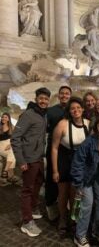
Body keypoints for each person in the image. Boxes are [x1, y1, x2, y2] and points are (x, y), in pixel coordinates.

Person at [11, 87, 51, 237]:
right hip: (29, 159)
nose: (43, 101)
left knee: (38, 183)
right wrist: (21, 160)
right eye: (41, 98)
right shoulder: (28, 115)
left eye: (46, 99)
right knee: (27, 189)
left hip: (39, 158)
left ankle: (33, 208)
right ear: (36, 99)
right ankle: (26, 222)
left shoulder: (43, 115)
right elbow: (15, 138)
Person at [71, 114, 99, 247]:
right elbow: (77, 162)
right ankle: (80, 235)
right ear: (96, 127)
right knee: (87, 205)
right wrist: (78, 184)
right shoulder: (90, 141)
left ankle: (96, 230)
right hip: (85, 178)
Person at [51, 97, 89, 234]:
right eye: (73, 108)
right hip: (64, 161)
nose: (76, 110)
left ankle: (74, 219)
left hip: (80, 163)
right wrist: (55, 170)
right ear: (69, 111)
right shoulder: (63, 124)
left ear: (83, 109)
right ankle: (62, 219)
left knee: (76, 195)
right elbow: (54, 148)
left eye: (78, 107)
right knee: (63, 193)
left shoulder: (88, 124)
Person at [45, 85, 72, 221]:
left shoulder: (72, 110)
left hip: (67, 151)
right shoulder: (51, 111)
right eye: (62, 93)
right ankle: (50, 204)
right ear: (59, 95)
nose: (64, 96)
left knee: (64, 179)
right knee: (51, 177)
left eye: (67, 94)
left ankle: (63, 204)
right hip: (53, 148)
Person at [0, 112, 18, 184]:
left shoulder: (12, 127)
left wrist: (11, 144)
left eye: (6, 117)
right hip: (1, 145)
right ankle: (10, 175)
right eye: (3, 117)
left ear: (8, 119)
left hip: (9, 145)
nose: (4, 118)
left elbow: (16, 137)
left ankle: (5, 172)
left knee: (12, 152)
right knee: (13, 154)